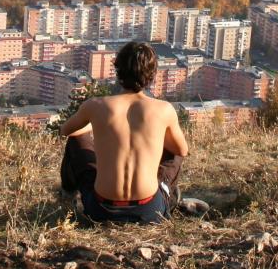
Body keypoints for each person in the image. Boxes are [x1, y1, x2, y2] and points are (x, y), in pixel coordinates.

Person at [58, 41, 190, 223]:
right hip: (149, 211)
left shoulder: (96, 106)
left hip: (101, 210)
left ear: (118, 70)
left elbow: (66, 131)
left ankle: (67, 194)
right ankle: (168, 194)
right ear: (151, 74)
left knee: (76, 140)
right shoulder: (163, 109)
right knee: (175, 151)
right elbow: (182, 151)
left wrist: (95, 123)